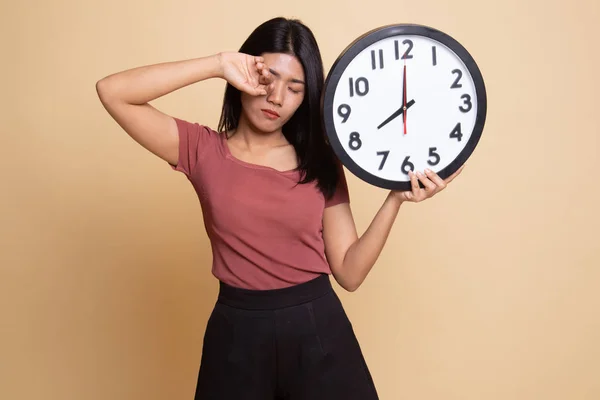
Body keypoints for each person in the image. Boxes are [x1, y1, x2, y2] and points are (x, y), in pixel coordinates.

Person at [96, 16, 462, 400]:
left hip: (318, 330)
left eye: (295, 88)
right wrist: (217, 64)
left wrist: (395, 199)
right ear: (243, 75)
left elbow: (350, 273)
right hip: (236, 335)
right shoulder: (201, 149)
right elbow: (113, 91)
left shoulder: (321, 160)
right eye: (267, 79)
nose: (276, 98)